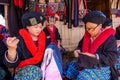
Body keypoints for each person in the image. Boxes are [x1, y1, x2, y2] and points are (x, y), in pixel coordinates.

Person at [64, 11, 118, 80]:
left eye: (92, 28)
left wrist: (95, 56)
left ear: (100, 26)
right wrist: (78, 50)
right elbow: (80, 46)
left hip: (101, 66)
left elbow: (112, 58)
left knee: (84, 76)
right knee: (71, 67)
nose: (89, 31)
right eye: (87, 28)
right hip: (86, 62)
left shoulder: (109, 39)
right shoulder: (87, 36)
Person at [3, 12, 46, 80]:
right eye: (36, 27)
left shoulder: (45, 39)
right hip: (24, 72)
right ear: (27, 27)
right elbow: (10, 64)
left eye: (40, 27)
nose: (39, 29)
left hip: (42, 70)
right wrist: (12, 50)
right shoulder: (19, 41)